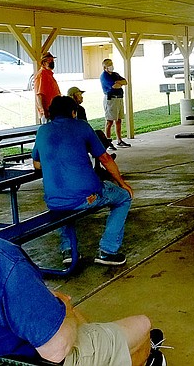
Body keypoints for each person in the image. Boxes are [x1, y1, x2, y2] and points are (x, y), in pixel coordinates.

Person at [0, 138, 166, 365]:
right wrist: (64, 307)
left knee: (79, 322)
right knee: (141, 326)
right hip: (33, 358)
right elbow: (57, 350)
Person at [32, 96, 133, 266]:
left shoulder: (42, 131)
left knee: (63, 205)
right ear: (73, 112)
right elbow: (105, 158)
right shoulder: (82, 126)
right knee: (123, 197)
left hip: (54, 200)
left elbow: (37, 164)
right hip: (87, 196)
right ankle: (107, 250)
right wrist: (122, 183)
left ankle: (68, 250)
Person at [68, 86, 114, 152]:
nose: (81, 97)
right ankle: (102, 158)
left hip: (78, 136)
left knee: (99, 135)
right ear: (73, 96)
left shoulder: (79, 109)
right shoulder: (77, 109)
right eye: (79, 95)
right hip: (76, 138)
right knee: (99, 137)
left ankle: (102, 155)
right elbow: (84, 126)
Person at [100, 58, 130, 149]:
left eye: (112, 64)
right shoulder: (104, 76)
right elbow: (114, 86)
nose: (111, 66)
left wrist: (119, 82)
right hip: (111, 99)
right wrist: (118, 83)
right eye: (109, 65)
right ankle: (108, 141)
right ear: (105, 67)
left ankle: (119, 140)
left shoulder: (115, 74)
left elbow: (125, 81)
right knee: (109, 121)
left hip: (119, 99)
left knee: (119, 120)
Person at [35, 51, 61, 124]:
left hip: (54, 111)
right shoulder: (43, 74)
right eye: (49, 61)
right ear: (43, 63)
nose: (52, 62)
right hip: (48, 112)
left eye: (52, 60)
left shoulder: (48, 74)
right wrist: (44, 111)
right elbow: (40, 95)